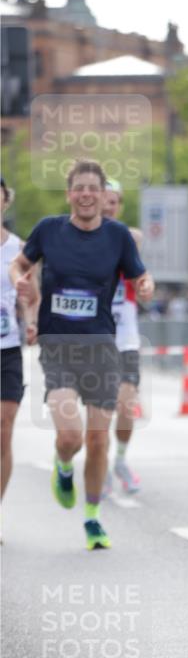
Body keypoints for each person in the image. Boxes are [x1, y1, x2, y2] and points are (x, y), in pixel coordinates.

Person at [10, 160, 154, 550]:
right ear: (70, 193)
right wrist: (21, 284)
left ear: (101, 192)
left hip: (102, 347)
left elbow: (139, 275)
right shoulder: (48, 230)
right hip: (58, 346)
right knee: (70, 435)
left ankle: (92, 519)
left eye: (94, 188)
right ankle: (62, 465)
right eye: (80, 188)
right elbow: (19, 265)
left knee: (98, 439)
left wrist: (146, 286)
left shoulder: (118, 235)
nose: (87, 194)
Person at [101, 179, 143, 496]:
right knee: (100, 410)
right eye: (103, 200)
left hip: (126, 339)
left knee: (125, 407)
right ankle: (98, 465)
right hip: (95, 339)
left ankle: (120, 459)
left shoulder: (130, 238)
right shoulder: (77, 241)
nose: (107, 206)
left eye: (113, 201)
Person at [1, 178, 39, 528]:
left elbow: (31, 295)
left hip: (8, 348)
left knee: (4, 427)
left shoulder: (19, 250)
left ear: (5, 202)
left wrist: (30, 322)